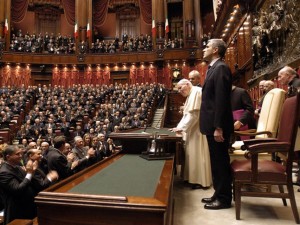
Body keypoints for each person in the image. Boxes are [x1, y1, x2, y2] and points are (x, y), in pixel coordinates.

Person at [199, 39, 234, 210]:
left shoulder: (220, 68)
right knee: (216, 161)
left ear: (215, 50)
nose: (203, 49)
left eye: (206, 47)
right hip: (212, 124)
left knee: (220, 162)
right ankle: (218, 193)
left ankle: (224, 198)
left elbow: (221, 100)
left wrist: (219, 127)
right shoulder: (213, 68)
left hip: (217, 126)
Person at [170, 79, 212, 189]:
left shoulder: (197, 92)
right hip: (192, 129)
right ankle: (191, 178)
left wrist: (181, 128)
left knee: (197, 154)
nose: (179, 91)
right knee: (191, 155)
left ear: (188, 84)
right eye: (177, 89)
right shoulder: (191, 93)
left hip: (198, 130)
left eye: (180, 88)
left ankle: (200, 181)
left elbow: (194, 115)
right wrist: (178, 127)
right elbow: (186, 115)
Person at [0, 145, 56, 224]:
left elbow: (27, 180)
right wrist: (30, 173)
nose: (21, 156)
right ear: (8, 157)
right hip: (18, 209)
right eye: (17, 154)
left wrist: (33, 171)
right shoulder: (4, 172)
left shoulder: (17, 166)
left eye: (20, 153)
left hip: (28, 205)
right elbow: (18, 190)